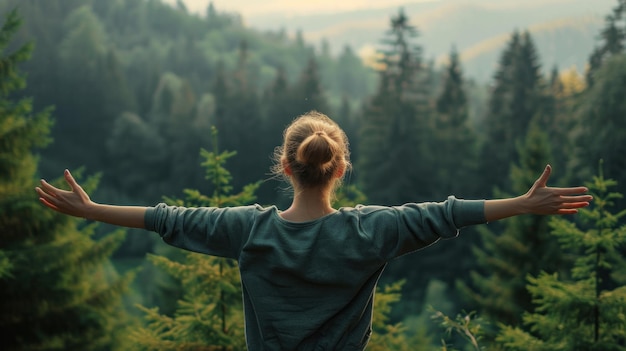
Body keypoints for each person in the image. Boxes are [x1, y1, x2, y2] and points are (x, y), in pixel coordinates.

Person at [35, 111, 592, 350]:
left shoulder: (247, 233)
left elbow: (167, 219)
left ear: (285, 166)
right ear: (341, 168)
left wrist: (93, 210)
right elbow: (445, 214)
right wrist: (521, 203)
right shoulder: (373, 232)